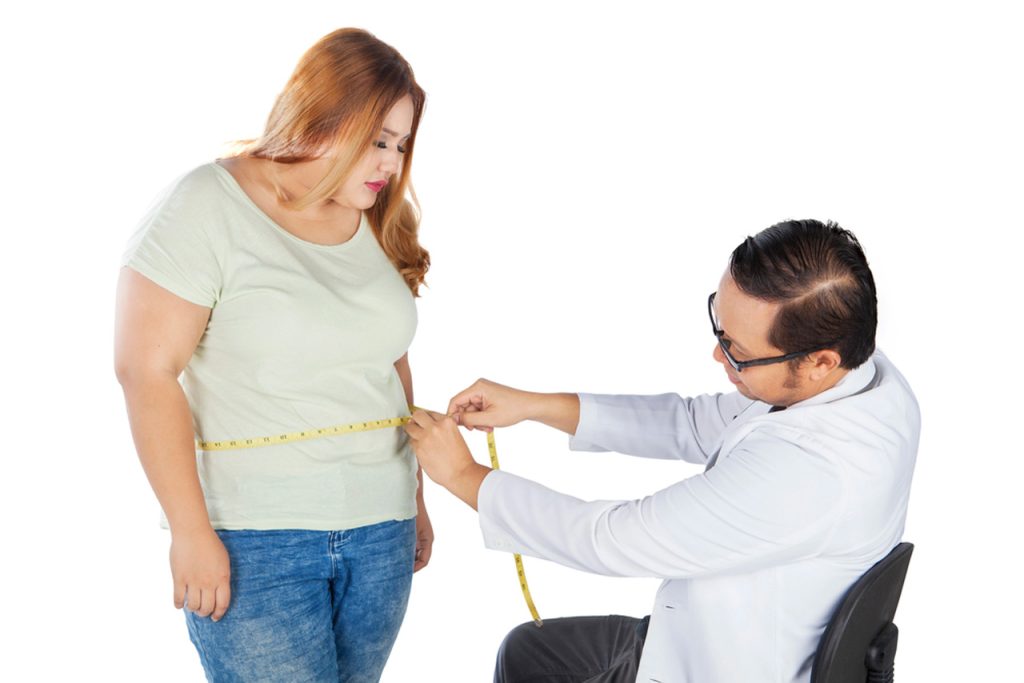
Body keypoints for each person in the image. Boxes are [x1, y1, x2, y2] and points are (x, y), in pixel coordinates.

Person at [406, 219, 920, 683]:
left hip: (727, 667)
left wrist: (462, 475)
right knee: (531, 653)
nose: (717, 353)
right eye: (720, 326)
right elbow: (696, 423)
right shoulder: (864, 373)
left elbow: (610, 540)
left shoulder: (810, 474)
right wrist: (535, 406)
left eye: (737, 352)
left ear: (819, 361)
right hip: (711, 633)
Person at [114, 28, 431, 682]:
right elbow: (145, 370)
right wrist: (189, 530)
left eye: (401, 145)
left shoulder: (372, 215)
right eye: (378, 140)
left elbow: (388, 362)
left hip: (381, 532)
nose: (392, 164)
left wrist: (416, 497)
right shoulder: (207, 203)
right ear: (323, 114)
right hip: (255, 541)